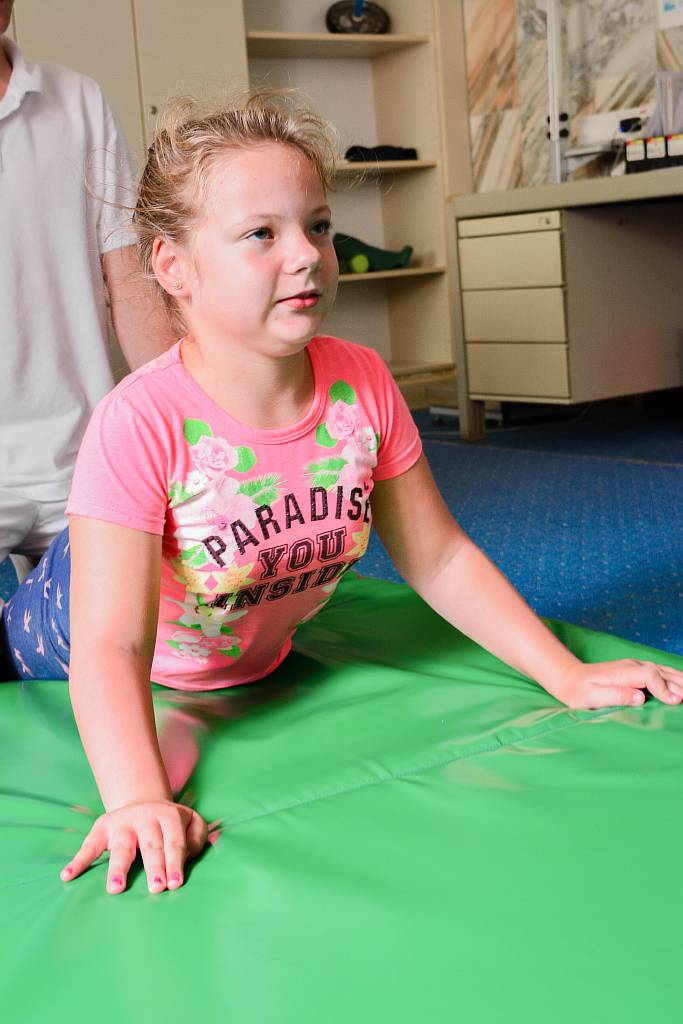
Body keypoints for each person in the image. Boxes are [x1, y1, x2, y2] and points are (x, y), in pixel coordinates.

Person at [2, 91, 682, 899]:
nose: (306, 255)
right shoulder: (140, 421)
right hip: (69, 625)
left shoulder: (361, 381)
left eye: (317, 226)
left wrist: (566, 677)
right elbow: (110, 646)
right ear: (172, 267)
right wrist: (138, 800)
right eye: (261, 233)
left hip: (242, 642)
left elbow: (439, 555)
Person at [0, 1, 175, 570]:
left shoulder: (78, 101)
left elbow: (127, 280)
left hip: (84, 459)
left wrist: (186, 421)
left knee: (166, 645)